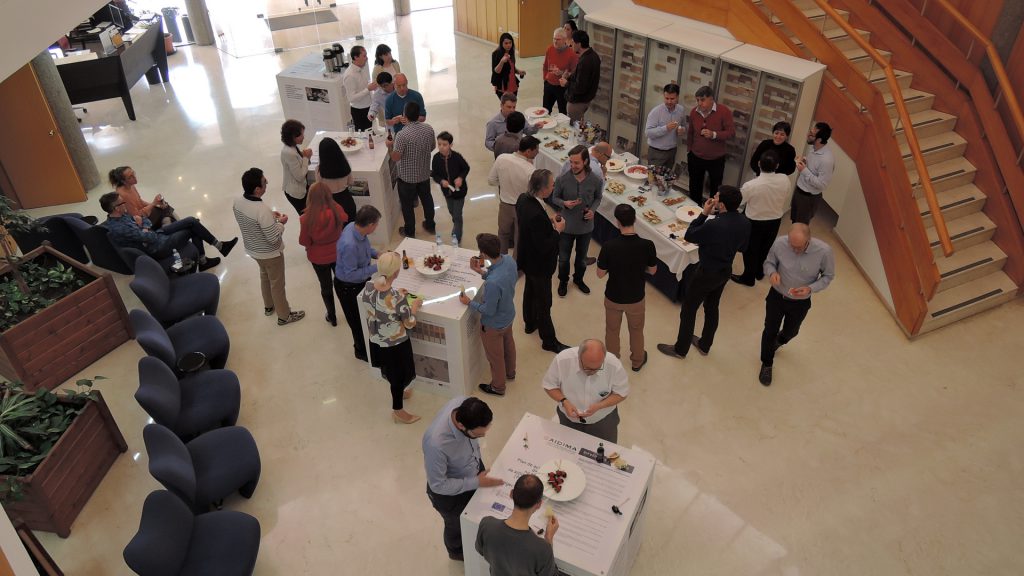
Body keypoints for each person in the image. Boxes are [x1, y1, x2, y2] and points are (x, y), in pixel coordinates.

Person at [658, 186, 749, 359]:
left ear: (721, 205)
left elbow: (690, 235)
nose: (713, 198)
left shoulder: (715, 224)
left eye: (715, 197)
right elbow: (743, 247)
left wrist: (704, 214)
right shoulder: (745, 222)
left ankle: (680, 349)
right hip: (725, 270)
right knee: (712, 307)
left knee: (689, 310)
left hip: (707, 272)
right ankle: (705, 345)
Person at [422, 396, 503, 562]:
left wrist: (477, 477)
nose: (483, 436)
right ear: (460, 425)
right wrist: (476, 482)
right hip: (450, 496)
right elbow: (438, 485)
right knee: (455, 526)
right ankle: (457, 552)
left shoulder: (464, 403)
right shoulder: (435, 444)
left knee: (475, 514)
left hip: (472, 470)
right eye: (477, 435)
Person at [759, 223, 835, 386]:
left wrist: (810, 288)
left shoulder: (824, 252)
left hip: (800, 302)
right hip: (777, 297)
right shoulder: (780, 243)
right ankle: (767, 363)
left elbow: (828, 276)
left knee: (791, 331)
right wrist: (771, 273)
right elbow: (768, 263)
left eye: (799, 247)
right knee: (769, 330)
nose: (794, 250)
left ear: (809, 239)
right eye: (791, 245)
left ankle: (780, 340)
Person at [232, 168, 305, 325]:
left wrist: (271, 219)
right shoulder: (262, 209)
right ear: (257, 189)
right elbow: (273, 238)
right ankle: (284, 316)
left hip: (253, 250)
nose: (267, 183)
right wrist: (280, 223)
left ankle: (268, 306)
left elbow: (250, 223)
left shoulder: (237, 202)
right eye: (264, 182)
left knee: (264, 276)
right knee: (277, 284)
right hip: (270, 254)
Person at [101, 192, 234, 271]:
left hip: (158, 235)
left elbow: (144, 220)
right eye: (121, 203)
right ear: (116, 208)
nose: (124, 204)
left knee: (191, 221)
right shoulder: (119, 228)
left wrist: (143, 226)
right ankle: (207, 258)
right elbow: (149, 237)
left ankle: (219, 246)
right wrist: (144, 227)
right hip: (158, 247)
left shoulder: (122, 215)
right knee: (194, 228)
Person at [361, 251, 422, 424]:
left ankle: (401, 394)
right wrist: (415, 306)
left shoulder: (368, 287)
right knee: (398, 377)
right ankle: (398, 410)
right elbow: (409, 323)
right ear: (396, 272)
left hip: (377, 340)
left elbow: (379, 305)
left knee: (392, 374)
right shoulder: (398, 298)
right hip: (395, 344)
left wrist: (396, 293)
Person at [596, 204, 658, 372]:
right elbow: (652, 270)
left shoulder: (609, 246)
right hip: (636, 297)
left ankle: (613, 362)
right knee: (637, 330)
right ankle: (637, 361)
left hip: (613, 296)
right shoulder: (647, 245)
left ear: (617, 222)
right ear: (635, 220)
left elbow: (600, 274)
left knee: (612, 330)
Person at [516, 169, 569, 354]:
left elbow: (531, 226)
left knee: (529, 292)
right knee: (544, 303)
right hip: (540, 264)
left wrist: (548, 221)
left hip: (527, 259)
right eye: (552, 184)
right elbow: (544, 245)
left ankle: (530, 323)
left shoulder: (523, 199)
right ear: (544, 189)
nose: (554, 186)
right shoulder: (536, 213)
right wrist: (558, 230)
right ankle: (549, 341)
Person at [460, 233, 517, 397]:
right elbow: (502, 279)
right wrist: (481, 272)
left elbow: (488, 310)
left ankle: (498, 387)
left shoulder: (492, 283)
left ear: (483, 253)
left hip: (493, 325)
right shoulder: (509, 260)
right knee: (509, 344)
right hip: (509, 315)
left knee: (495, 357)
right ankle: (511, 372)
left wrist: (469, 302)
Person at [542, 339, 629, 443]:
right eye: (587, 368)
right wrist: (564, 401)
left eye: (597, 368)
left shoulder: (614, 365)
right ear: (579, 357)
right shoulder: (562, 360)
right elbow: (549, 385)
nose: (591, 372)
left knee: (605, 452)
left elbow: (621, 393)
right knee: (570, 449)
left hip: (603, 420)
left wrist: (599, 406)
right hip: (569, 419)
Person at [475, 474, 559, 576]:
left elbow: (480, 550)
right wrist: (549, 538)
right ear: (538, 505)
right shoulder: (543, 549)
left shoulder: (487, 525)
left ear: (511, 494)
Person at [732, 152, 792, 287]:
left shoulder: (751, 185)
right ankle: (759, 272)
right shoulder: (784, 179)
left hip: (754, 221)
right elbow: (787, 194)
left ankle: (748, 277)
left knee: (750, 250)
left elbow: (740, 201)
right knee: (765, 248)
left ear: (759, 164)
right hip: (775, 220)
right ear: (777, 166)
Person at [551, 145, 603, 298]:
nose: (572, 166)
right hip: (566, 226)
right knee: (564, 258)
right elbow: (554, 198)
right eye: (571, 162)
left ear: (585, 161)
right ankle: (563, 281)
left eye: (576, 163)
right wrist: (564, 204)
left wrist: (592, 210)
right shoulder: (562, 179)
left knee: (581, 259)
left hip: (585, 227)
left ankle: (579, 280)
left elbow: (598, 197)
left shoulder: (596, 179)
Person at [298, 182, 348, 326]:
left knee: (326, 287)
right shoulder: (336, 210)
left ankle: (332, 316)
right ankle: (347, 310)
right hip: (338, 254)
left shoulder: (306, 219)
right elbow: (345, 218)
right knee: (341, 284)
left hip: (318, 259)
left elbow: (304, 241)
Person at [336, 205, 381, 362]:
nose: (376, 227)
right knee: (357, 322)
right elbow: (351, 274)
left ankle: (370, 346)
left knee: (367, 317)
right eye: (376, 224)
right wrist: (377, 267)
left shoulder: (355, 227)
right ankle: (361, 352)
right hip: (349, 288)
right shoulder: (349, 244)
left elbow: (366, 248)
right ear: (370, 225)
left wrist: (377, 254)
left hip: (360, 283)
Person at [388, 101, 436, 237]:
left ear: (405, 115)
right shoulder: (428, 129)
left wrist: (389, 146)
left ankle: (410, 231)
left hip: (407, 178)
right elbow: (432, 147)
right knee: (427, 199)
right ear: (418, 114)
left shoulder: (402, 135)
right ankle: (430, 225)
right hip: (424, 173)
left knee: (407, 205)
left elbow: (396, 157)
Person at [488, 136, 539, 255]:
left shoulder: (502, 158)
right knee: (519, 239)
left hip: (505, 204)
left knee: (503, 234)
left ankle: (501, 260)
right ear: (528, 151)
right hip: (521, 208)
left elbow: (491, 180)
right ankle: (516, 267)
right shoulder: (530, 169)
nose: (538, 152)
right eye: (536, 149)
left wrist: (505, 185)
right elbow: (533, 194)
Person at [685, 85, 735, 204]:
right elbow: (690, 132)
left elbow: (731, 133)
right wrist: (689, 150)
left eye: (702, 100)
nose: (699, 103)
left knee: (715, 188)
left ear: (711, 99)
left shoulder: (724, 111)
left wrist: (714, 134)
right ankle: (693, 209)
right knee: (694, 186)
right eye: (697, 100)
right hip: (696, 157)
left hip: (716, 159)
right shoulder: (694, 112)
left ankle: (712, 212)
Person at [791, 121, 835, 224]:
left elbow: (822, 185)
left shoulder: (827, 160)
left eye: (811, 134)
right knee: (794, 221)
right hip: (799, 190)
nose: (807, 135)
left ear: (819, 139)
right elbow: (813, 167)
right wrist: (804, 160)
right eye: (810, 131)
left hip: (808, 198)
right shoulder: (813, 148)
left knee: (801, 227)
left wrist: (804, 170)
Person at [431, 131, 470, 244]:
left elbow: (466, 168)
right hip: (447, 192)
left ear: (450, 145)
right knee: (452, 211)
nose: (441, 147)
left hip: (459, 192)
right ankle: (457, 223)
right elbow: (434, 174)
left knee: (457, 215)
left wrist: (460, 178)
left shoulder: (457, 157)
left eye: (444, 144)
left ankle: (456, 236)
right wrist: (441, 180)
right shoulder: (436, 158)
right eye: (439, 144)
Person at [108, 166, 176, 229]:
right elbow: (135, 215)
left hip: (142, 213)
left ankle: (167, 224)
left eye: (133, 173)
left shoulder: (131, 186)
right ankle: (167, 227)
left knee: (163, 205)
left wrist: (156, 204)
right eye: (130, 177)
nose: (134, 177)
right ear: (123, 181)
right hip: (139, 221)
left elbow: (140, 202)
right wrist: (153, 204)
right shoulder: (122, 195)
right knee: (166, 210)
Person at [644, 83, 686, 170]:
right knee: (653, 181)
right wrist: (666, 128)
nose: (669, 101)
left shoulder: (681, 110)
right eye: (667, 98)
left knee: (666, 181)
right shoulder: (656, 112)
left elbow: (683, 125)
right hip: (656, 152)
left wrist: (682, 130)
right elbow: (648, 133)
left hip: (672, 152)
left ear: (677, 97)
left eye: (672, 99)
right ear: (664, 96)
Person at [562, 30, 600, 125]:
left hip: (578, 102)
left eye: (573, 42)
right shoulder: (594, 55)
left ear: (579, 44)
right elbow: (584, 77)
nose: (571, 44)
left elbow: (580, 87)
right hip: (586, 99)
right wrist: (570, 76)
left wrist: (566, 83)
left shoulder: (585, 61)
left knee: (573, 129)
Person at [316, 137, 357, 222]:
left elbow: (319, 187)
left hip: (330, 204)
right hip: (347, 200)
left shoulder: (320, 170)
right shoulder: (345, 165)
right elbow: (351, 182)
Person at [279, 119, 313, 215]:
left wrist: (303, 156)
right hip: (296, 193)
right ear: (293, 137)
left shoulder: (292, 146)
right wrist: (306, 157)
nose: (303, 137)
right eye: (301, 135)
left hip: (300, 188)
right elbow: (299, 176)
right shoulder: (289, 152)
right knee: (306, 217)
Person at [341, 45, 378, 131]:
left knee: (371, 132)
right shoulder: (350, 75)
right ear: (356, 57)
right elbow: (351, 98)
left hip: (368, 107)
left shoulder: (362, 68)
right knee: (363, 137)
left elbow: (364, 87)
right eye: (364, 56)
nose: (367, 58)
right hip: (359, 111)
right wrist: (368, 89)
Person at [542, 27, 577, 115]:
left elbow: (574, 74)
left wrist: (561, 73)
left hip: (562, 88)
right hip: (549, 84)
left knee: (562, 112)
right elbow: (545, 65)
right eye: (554, 38)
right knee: (545, 111)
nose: (555, 41)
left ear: (564, 40)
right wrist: (545, 78)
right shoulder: (550, 49)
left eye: (558, 39)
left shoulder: (571, 54)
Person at [491, 32, 525, 99]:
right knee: (506, 106)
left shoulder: (511, 52)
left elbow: (511, 67)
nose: (509, 45)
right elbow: (496, 71)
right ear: (501, 43)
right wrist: (502, 62)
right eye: (506, 43)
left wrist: (518, 71)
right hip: (503, 85)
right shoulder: (496, 54)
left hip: (513, 83)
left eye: (510, 43)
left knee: (512, 104)